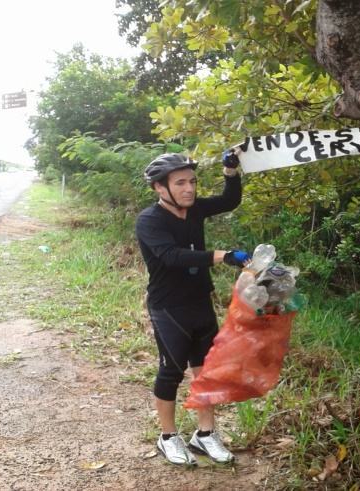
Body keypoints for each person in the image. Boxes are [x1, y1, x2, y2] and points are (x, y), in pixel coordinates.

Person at [135, 150, 249, 466]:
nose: (190, 189)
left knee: (207, 370)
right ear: (160, 188)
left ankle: (205, 433)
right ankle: (168, 437)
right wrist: (222, 255)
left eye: (193, 182)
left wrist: (230, 171)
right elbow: (171, 256)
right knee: (171, 372)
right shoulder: (149, 220)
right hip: (169, 307)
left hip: (200, 300)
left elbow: (229, 201)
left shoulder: (195, 209)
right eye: (180, 183)